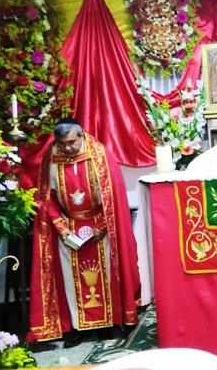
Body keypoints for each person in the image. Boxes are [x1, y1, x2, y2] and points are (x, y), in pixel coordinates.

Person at [28, 118, 140, 347]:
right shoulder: (51, 157)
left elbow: (112, 197)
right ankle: (76, 328)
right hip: (69, 227)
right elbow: (47, 198)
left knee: (104, 275)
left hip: (98, 226)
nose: (67, 148)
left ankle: (106, 325)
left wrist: (103, 226)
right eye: (62, 144)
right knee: (71, 280)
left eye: (71, 142)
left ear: (81, 136)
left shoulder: (99, 155)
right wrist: (61, 228)